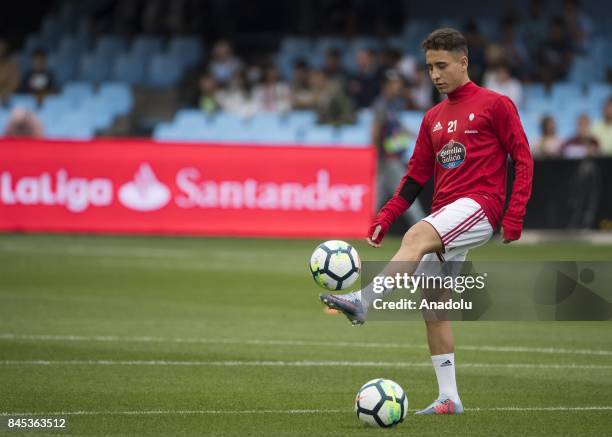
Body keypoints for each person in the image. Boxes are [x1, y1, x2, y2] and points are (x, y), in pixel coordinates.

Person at [320, 28, 533, 415]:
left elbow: (523, 157)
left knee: (417, 234)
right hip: (447, 214)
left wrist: (514, 214)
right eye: (429, 67)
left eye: (441, 65)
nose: (434, 75)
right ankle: (449, 397)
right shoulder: (433, 117)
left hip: (481, 206)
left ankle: (364, 301)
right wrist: (385, 216)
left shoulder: (495, 105)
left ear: (463, 62)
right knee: (433, 306)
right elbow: (415, 177)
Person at [372, 70, 425, 226]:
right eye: (395, 84)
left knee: (378, 196)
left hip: (392, 158)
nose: (398, 87)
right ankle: (422, 226)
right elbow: (375, 132)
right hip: (388, 159)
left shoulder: (393, 105)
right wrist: (377, 156)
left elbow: (398, 129)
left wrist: (416, 135)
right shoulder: (381, 105)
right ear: (386, 86)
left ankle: (364, 226)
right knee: (405, 193)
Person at [0, 38, 20, 106]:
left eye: (2, 47)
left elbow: (14, 83)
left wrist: (4, 92)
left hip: (10, 100)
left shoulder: (12, 64)